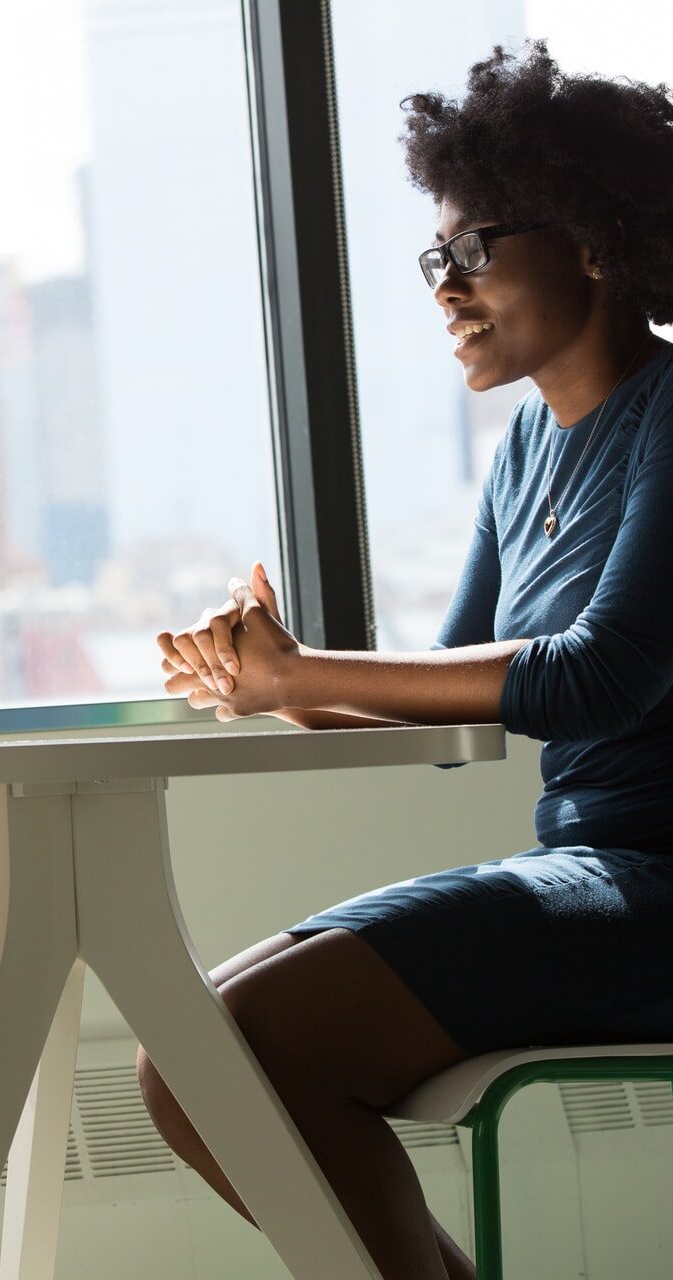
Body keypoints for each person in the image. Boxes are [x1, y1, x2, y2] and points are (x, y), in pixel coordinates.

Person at [142, 40, 673, 1280]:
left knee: (228, 1049)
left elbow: (601, 677)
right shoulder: (525, 454)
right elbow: (449, 718)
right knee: (187, 1059)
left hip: (655, 887)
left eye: (473, 249)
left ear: (591, 238)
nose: (445, 288)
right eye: (435, 259)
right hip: (590, 869)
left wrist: (305, 669)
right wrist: (261, 682)